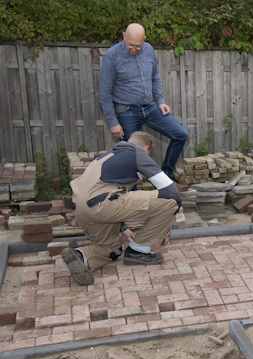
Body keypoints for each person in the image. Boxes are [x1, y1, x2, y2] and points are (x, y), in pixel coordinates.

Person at [62, 131, 181, 286]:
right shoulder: (136, 152)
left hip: (83, 210)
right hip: (103, 204)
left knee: (111, 249)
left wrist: (125, 226)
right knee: (170, 201)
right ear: (147, 147)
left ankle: (81, 257)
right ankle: (138, 251)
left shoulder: (106, 156)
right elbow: (171, 191)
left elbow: (120, 194)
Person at [100, 23, 188, 180]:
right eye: (131, 45)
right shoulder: (111, 57)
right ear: (124, 36)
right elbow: (105, 94)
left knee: (180, 135)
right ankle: (131, 191)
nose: (134, 50)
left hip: (150, 107)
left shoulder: (149, 50)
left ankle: (166, 175)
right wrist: (113, 122)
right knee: (130, 154)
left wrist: (161, 101)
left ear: (144, 40)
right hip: (126, 111)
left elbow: (155, 78)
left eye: (138, 46)